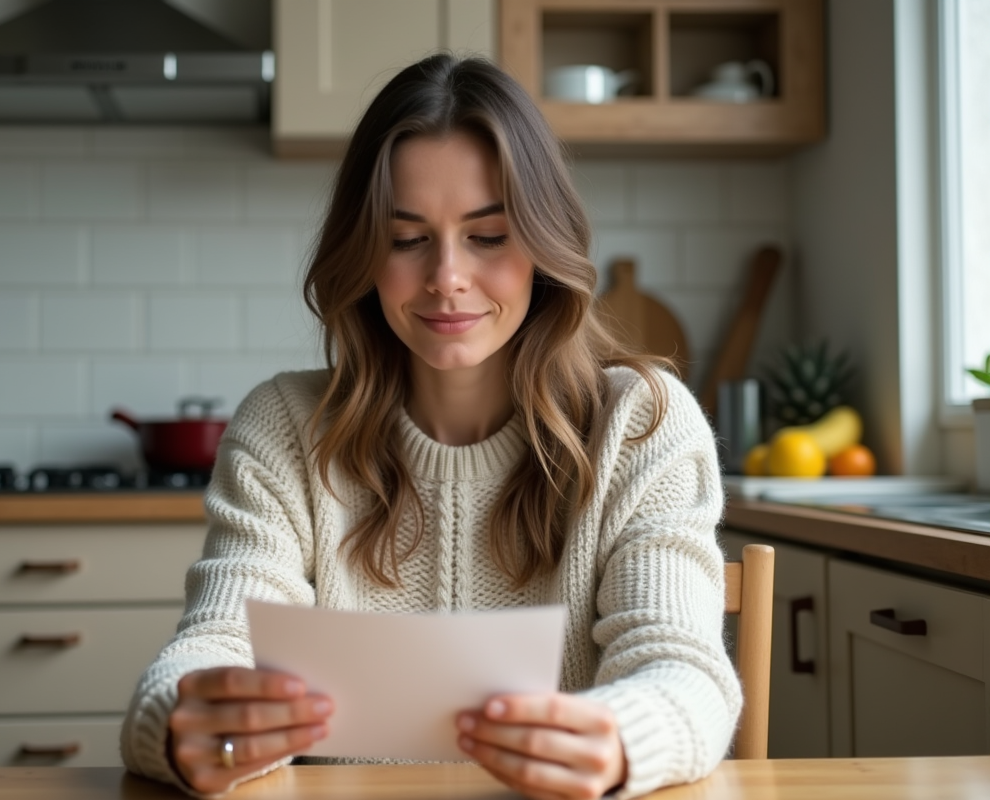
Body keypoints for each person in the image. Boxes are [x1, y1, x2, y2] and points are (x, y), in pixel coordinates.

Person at [121, 53, 740, 800]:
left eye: (488, 235)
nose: (447, 275)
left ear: (544, 245)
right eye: (407, 239)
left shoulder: (643, 424)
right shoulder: (284, 427)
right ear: (363, 253)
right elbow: (213, 645)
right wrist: (180, 723)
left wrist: (617, 741)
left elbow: (682, 672)